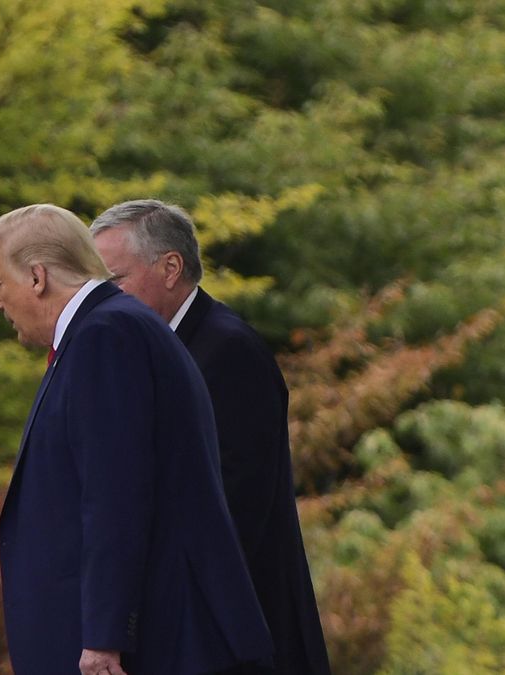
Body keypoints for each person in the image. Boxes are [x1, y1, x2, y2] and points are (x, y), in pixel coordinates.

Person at [0, 203, 272, 675]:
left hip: (142, 646)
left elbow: (115, 495)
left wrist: (104, 637)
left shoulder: (107, 335)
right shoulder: (110, 328)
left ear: (37, 277)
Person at [90, 199, 332, 675]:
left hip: (231, 630)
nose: (105, 298)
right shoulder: (161, 348)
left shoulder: (227, 351)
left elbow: (236, 505)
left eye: (115, 280)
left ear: (171, 268)